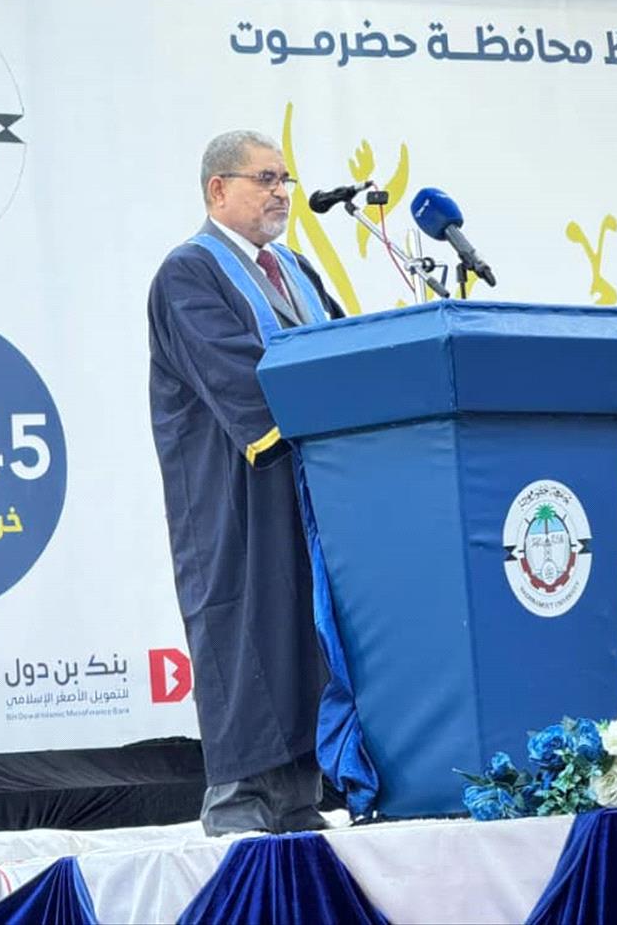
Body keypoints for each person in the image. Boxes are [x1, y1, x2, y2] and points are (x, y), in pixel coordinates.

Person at [148, 130, 344, 835]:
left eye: (285, 178)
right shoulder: (188, 273)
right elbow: (239, 375)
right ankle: (239, 801)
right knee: (246, 629)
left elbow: (344, 350)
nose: (281, 192)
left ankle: (296, 798)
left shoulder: (295, 268)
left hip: (307, 484)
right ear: (218, 189)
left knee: (304, 634)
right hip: (234, 492)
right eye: (265, 179)